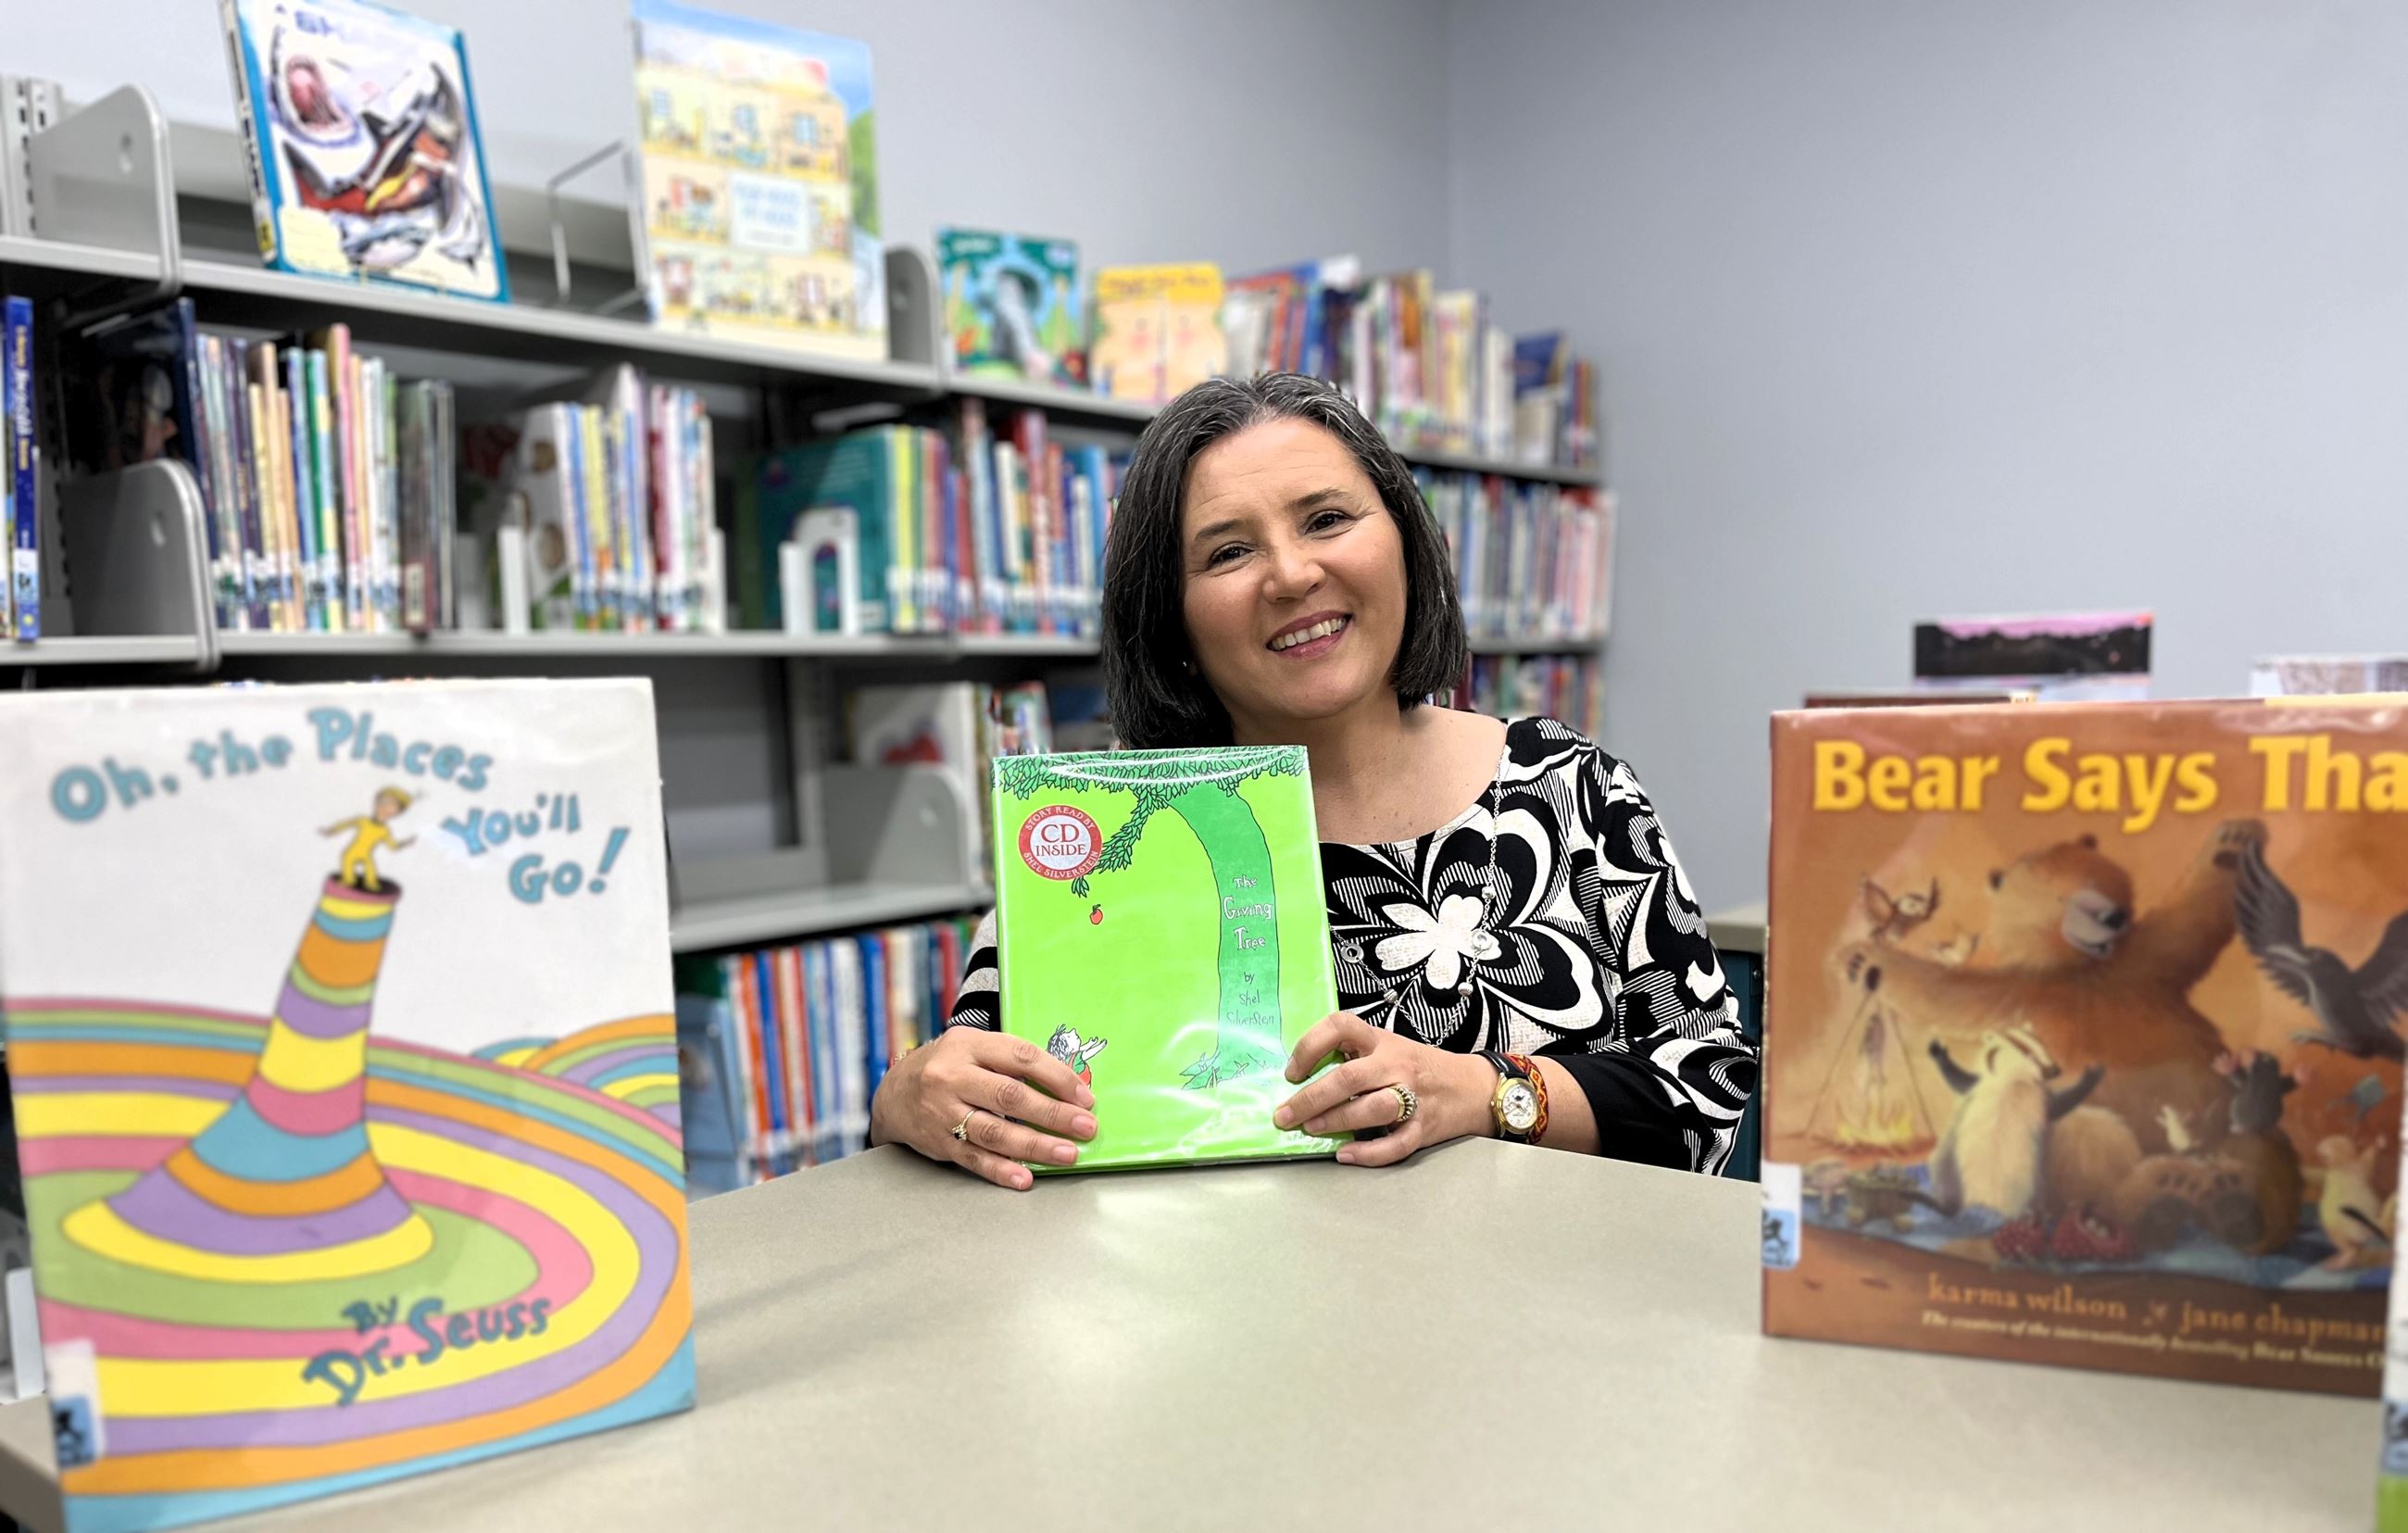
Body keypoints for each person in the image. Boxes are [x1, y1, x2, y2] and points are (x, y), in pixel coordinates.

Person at [867, 372, 1757, 1188]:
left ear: (1405, 539)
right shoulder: (1107, 837)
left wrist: (1486, 1093)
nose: (1292, 575)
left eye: (1327, 519)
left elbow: (1711, 1086)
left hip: (1545, 1328)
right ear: (1169, 617)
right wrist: (904, 1105)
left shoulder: (1571, 787)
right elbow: (973, 1121)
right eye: (1226, 553)